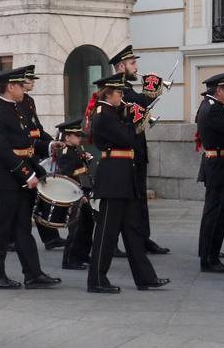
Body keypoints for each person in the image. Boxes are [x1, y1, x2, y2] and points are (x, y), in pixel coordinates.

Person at [86, 73, 167, 294]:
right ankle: (97, 279)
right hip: (113, 175)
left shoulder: (113, 112)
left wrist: (134, 117)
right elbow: (127, 138)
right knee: (107, 231)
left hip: (124, 174)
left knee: (132, 230)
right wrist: (136, 121)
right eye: (119, 93)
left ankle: (145, 277)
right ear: (108, 93)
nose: (123, 96)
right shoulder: (103, 114)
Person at [0, 65, 59, 290]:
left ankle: (33, 274)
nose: (24, 89)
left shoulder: (20, 109)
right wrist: (27, 174)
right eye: (20, 86)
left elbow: (29, 143)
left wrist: (47, 150)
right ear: (10, 87)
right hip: (5, 178)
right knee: (1, 228)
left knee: (23, 227)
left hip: (24, 175)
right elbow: (4, 150)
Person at [111, 45, 170, 255]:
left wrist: (151, 91)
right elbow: (138, 106)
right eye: (133, 63)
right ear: (121, 66)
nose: (137, 67)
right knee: (130, 201)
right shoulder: (118, 91)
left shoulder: (126, 87)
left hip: (137, 152)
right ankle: (118, 242)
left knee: (140, 200)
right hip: (127, 154)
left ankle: (144, 239)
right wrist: (152, 89)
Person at [195, 71, 224, 272]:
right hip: (220, 168)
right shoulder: (213, 110)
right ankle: (209, 258)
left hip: (223, 167)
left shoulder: (209, 106)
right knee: (215, 215)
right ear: (219, 90)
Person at [19, 68, 64, 252]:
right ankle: (12, 239)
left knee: (43, 196)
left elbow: (37, 127)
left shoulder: (29, 101)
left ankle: (50, 237)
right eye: (30, 79)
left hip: (36, 149)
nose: (33, 82)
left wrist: (51, 142)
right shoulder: (16, 102)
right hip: (26, 151)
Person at [53, 118, 96, 271]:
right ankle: (69, 259)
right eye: (77, 136)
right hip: (74, 194)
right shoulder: (65, 153)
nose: (80, 138)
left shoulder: (75, 150)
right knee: (76, 228)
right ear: (67, 137)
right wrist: (79, 194)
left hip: (82, 192)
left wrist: (86, 160)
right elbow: (67, 177)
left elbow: (79, 170)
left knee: (88, 225)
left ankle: (82, 254)